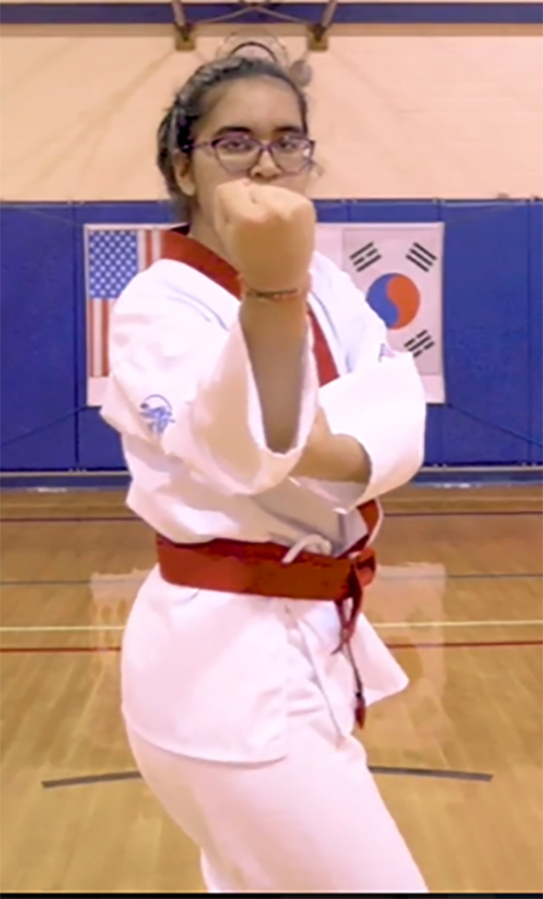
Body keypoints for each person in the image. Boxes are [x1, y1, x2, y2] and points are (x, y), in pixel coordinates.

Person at [101, 54, 428, 893]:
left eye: (289, 141)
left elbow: (394, 418)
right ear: (184, 164)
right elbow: (241, 451)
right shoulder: (156, 304)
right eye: (234, 141)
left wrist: (313, 442)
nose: (266, 163)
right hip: (225, 667)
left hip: (307, 639)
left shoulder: (324, 279)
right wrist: (269, 294)